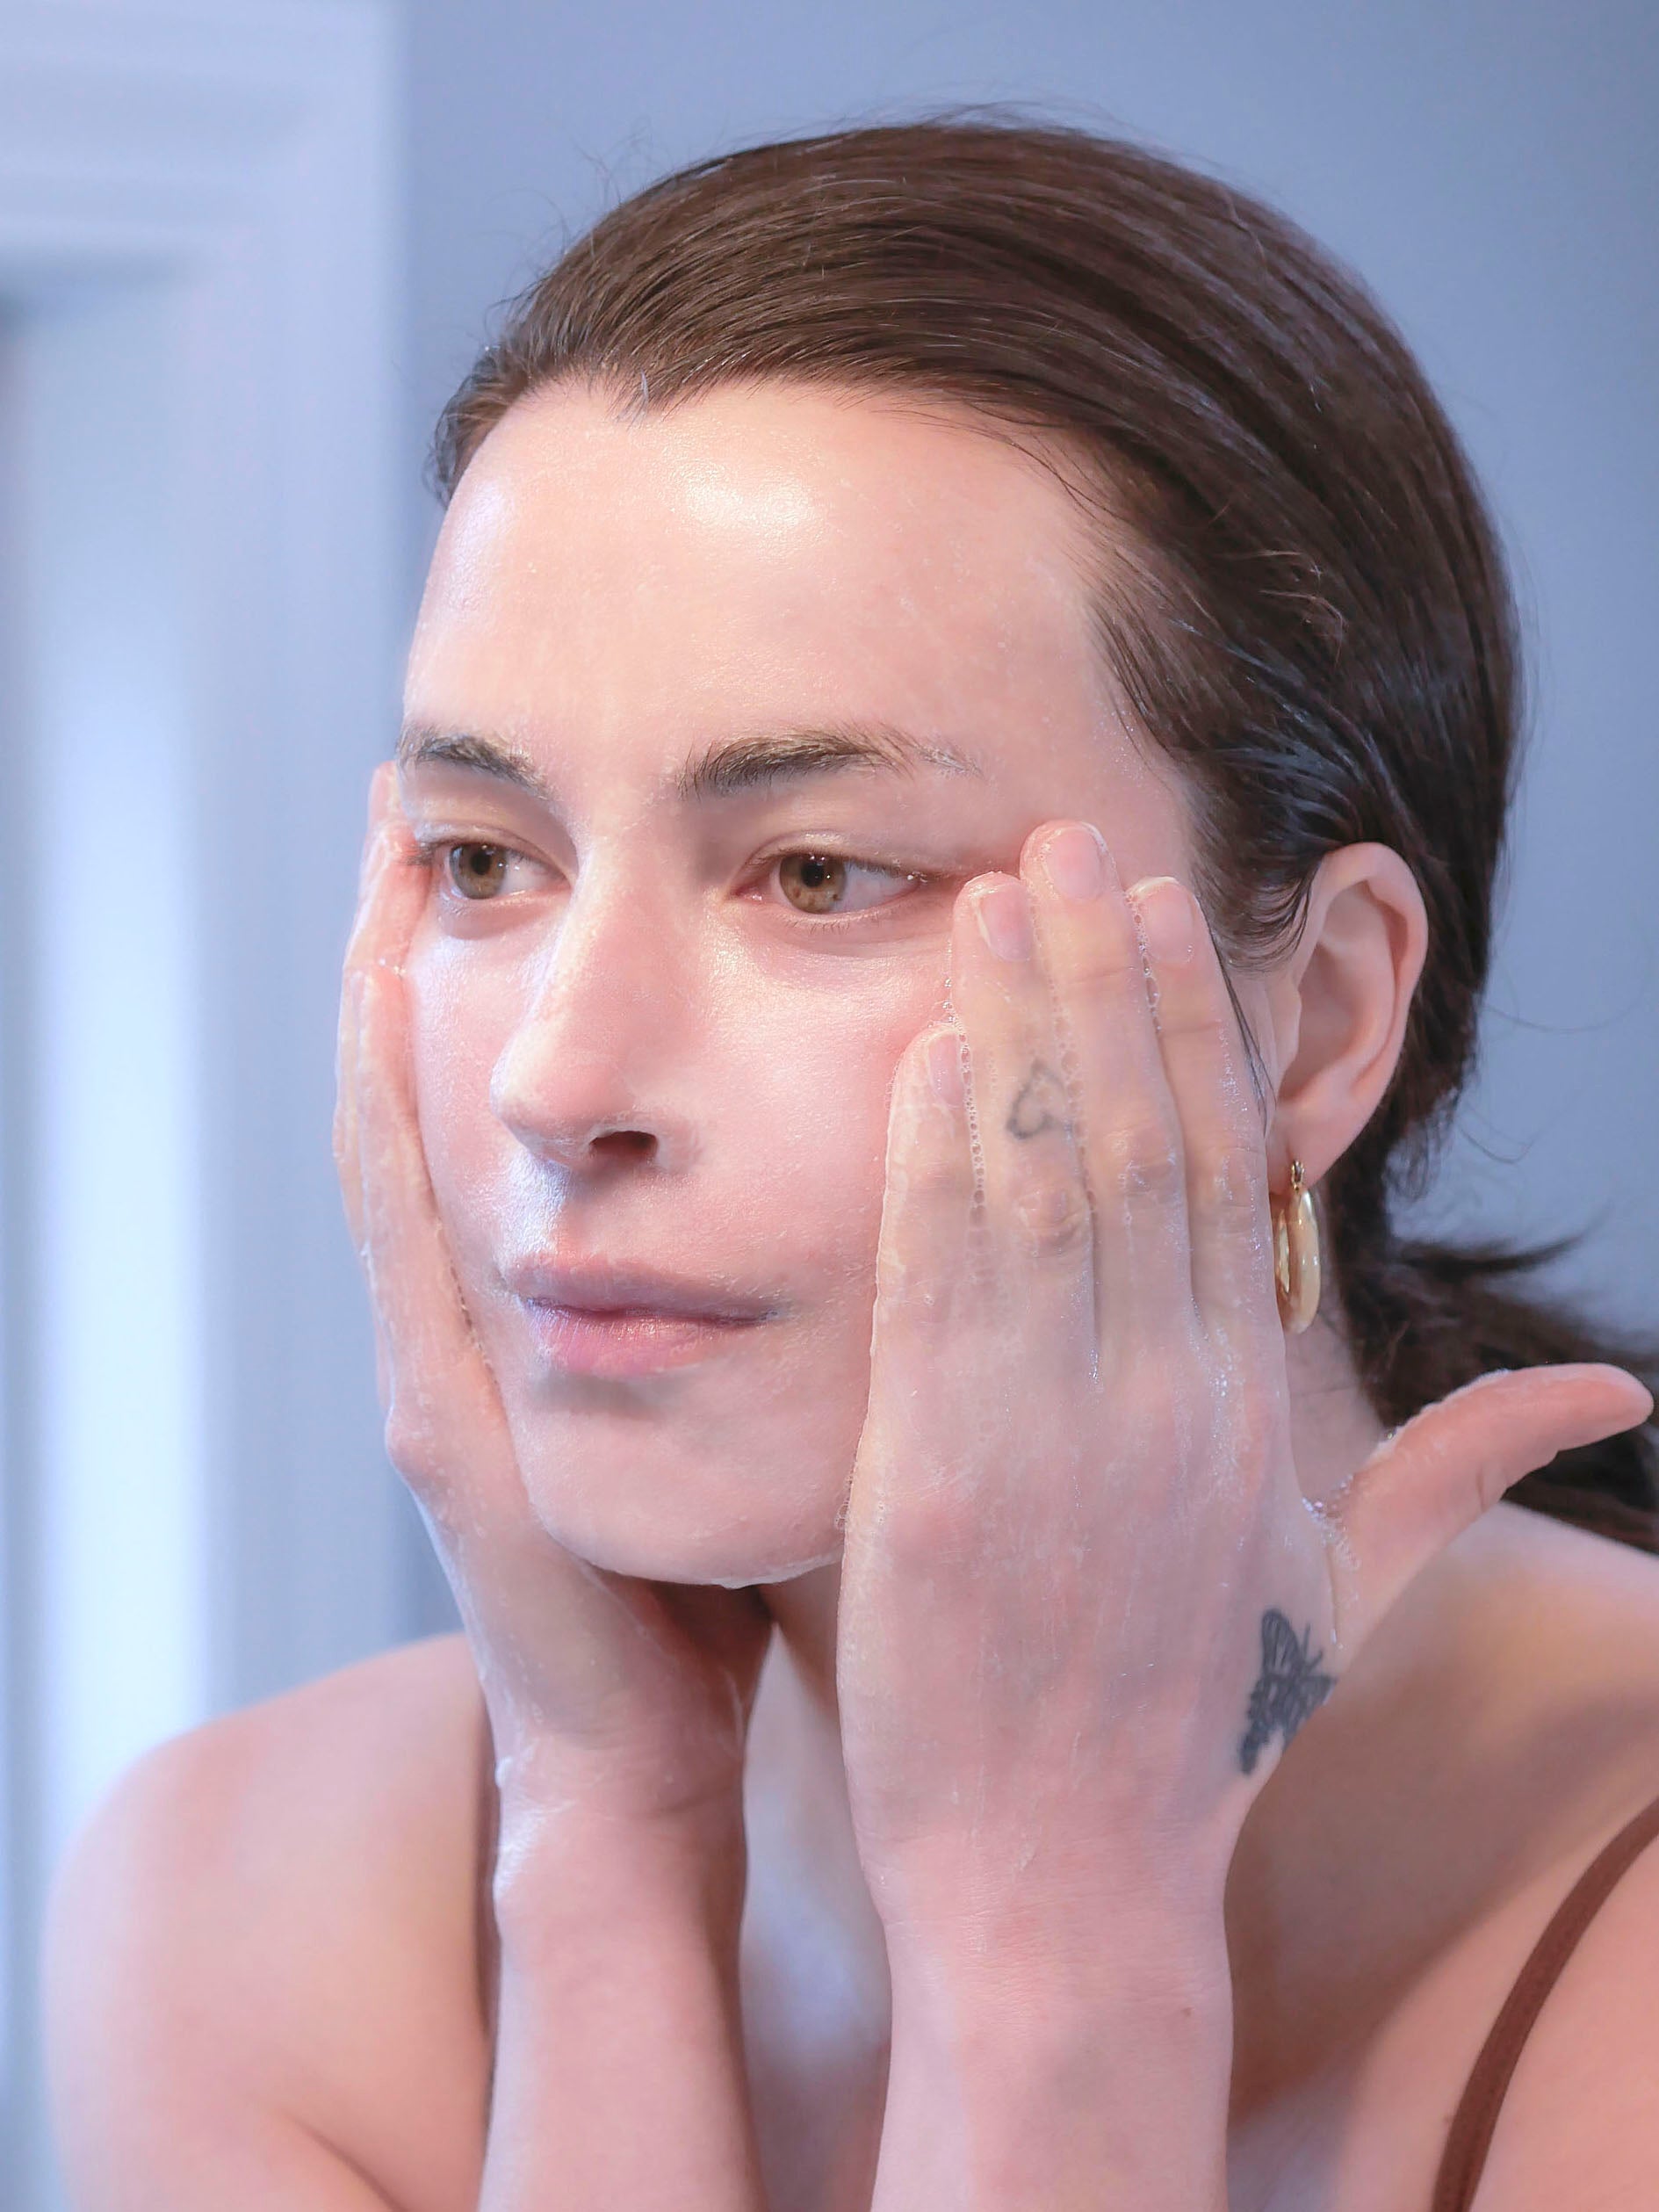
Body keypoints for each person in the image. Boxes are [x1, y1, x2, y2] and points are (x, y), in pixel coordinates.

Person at [44, 118, 1659, 2212]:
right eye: (479, 859)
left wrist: (1050, 1947)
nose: (557, 1074)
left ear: (1326, 1019)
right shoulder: (251, 1913)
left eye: (816, 873)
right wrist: (609, 1840)